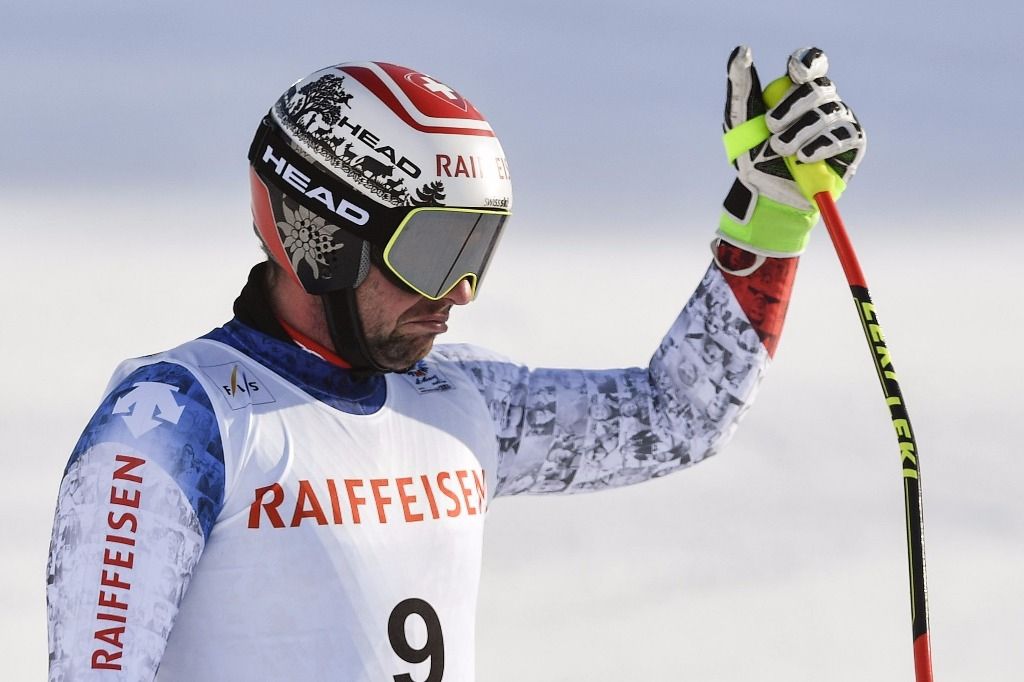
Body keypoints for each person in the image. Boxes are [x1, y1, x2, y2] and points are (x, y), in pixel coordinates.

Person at [46, 46, 865, 680]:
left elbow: (674, 415)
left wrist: (772, 217)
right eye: (435, 250)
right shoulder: (176, 424)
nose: (462, 292)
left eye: (479, 248)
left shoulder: (457, 399)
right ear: (322, 237)